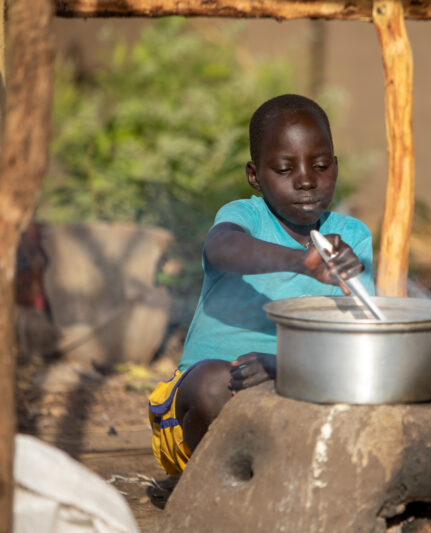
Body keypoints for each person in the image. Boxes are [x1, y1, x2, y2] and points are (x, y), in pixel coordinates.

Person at [148, 94, 375, 474]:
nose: (305, 180)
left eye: (320, 166)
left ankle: (280, 486)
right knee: (214, 384)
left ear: (335, 167)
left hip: (296, 400)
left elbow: (360, 338)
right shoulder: (244, 217)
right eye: (285, 169)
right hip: (205, 414)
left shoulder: (351, 236)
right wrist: (301, 261)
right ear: (255, 175)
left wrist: (286, 367)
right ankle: (222, 492)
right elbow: (222, 247)